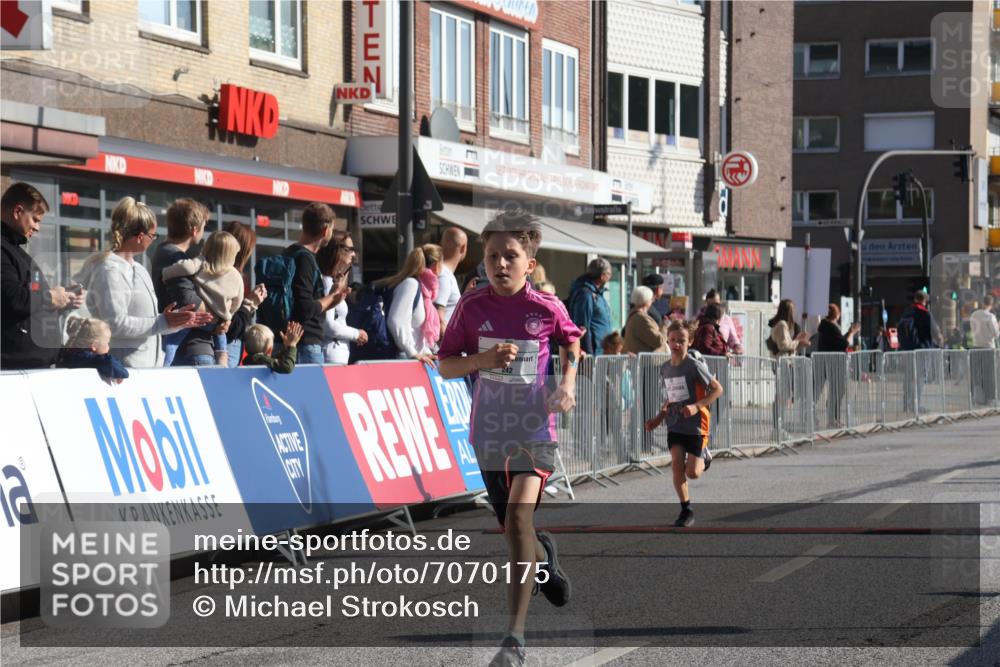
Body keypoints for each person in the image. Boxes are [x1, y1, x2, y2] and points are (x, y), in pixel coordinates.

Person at [437, 208, 581, 667]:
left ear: (529, 264)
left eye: (510, 256)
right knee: (514, 528)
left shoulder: (546, 307)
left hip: (534, 429)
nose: (500, 264)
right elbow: (446, 365)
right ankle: (544, 555)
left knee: (518, 518)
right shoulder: (471, 306)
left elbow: (572, 342)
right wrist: (482, 361)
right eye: (492, 256)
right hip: (488, 431)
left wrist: (567, 383)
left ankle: (514, 638)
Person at [75, 197, 212, 367]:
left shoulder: (139, 269)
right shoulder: (109, 269)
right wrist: (163, 321)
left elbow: (149, 324)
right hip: (124, 369)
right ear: (140, 237)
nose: (154, 240)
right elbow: (115, 323)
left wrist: (176, 321)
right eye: (153, 235)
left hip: (146, 369)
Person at [644, 319, 723, 528]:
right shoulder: (665, 368)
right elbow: (671, 397)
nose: (676, 344)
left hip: (696, 425)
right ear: (667, 341)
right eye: (672, 340)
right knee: (676, 464)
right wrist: (658, 418)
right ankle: (686, 509)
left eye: (681, 340)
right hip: (675, 423)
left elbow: (717, 389)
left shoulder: (694, 366)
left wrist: (697, 406)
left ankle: (704, 454)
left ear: (690, 342)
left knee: (692, 473)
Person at [1, 182, 86, 369]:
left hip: (31, 366)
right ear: (17, 211)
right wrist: (51, 297)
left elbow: (30, 300)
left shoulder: (17, 253)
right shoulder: (4, 250)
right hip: (15, 370)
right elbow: (14, 300)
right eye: (35, 219)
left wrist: (64, 300)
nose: (37, 227)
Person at [161, 231, 245, 366]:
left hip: (195, 317)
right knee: (221, 342)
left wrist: (165, 274)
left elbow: (183, 267)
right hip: (217, 323)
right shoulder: (236, 276)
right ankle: (222, 363)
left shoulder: (201, 262)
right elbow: (238, 301)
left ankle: (164, 364)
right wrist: (228, 316)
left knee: (172, 340)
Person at [281, 202, 342, 363]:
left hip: (287, 340)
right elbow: (305, 308)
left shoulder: (288, 253)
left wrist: (332, 301)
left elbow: (300, 303)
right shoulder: (305, 259)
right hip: (305, 344)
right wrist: (332, 296)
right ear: (325, 230)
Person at [375, 243, 442, 365]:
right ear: (436, 266)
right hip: (402, 357)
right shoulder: (411, 284)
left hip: (411, 357)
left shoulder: (423, 291)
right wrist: (412, 352)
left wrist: (425, 351)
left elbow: (416, 331)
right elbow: (396, 321)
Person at [317, 231, 367, 364]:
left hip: (335, 353)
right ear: (338, 251)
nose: (354, 254)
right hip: (331, 355)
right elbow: (328, 325)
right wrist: (356, 334)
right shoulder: (327, 283)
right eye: (351, 249)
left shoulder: (330, 281)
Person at [222, 220, 257, 367]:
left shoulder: (217, 272)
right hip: (227, 346)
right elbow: (233, 325)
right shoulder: (230, 276)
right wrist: (250, 304)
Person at [56, 316, 129, 383]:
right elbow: (121, 371)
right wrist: (120, 373)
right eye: (107, 343)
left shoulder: (65, 354)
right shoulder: (94, 360)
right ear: (94, 346)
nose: (108, 347)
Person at [568, 257, 613, 356]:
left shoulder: (596, 293)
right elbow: (583, 326)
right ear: (602, 276)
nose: (610, 277)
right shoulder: (586, 294)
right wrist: (589, 355)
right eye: (609, 274)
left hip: (601, 351)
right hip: (594, 353)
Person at [437, 227, 467, 333]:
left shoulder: (442, 273)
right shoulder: (444, 276)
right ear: (463, 248)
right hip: (439, 342)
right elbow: (438, 313)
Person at [699, 289, 744, 354]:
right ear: (706, 303)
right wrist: (721, 354)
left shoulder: (726, 319)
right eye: (710, 304)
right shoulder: (701, 319)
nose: (713, 307)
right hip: (710, 357)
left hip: (722, 357)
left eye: (716, 303)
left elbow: (733, 338)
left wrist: (737, 346)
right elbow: (705, 346)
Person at [623, 286, 666, 355]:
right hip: (644, 360)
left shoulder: (634, 315)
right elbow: (659, 342)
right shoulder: (641, 319)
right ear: (646, 301)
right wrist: (665, 325)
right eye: (651, 298)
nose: (653, 301)